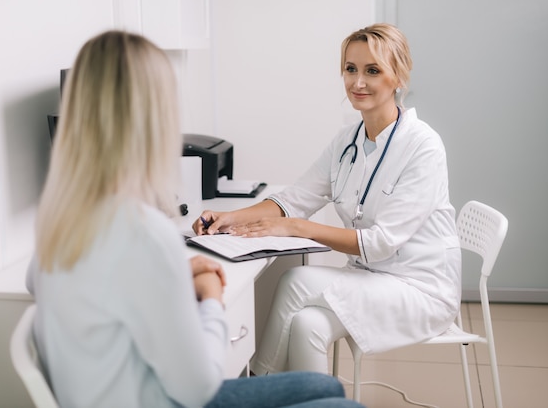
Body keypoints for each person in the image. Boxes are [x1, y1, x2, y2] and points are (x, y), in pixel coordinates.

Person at [26, 30, 364, 408]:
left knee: (326, 389)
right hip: (165, 397)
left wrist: (169, 274)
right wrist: (211, 298)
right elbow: (198, 387)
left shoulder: (59, 222)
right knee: (343, 405)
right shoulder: (143, 232)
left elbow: (76, 284)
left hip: (128, 391)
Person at [192, 23, 462, 376]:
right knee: (307, 325)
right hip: (370, 279)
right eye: (351, 69)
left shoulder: (422, 146)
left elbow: (379, 244)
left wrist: (298, 228)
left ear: (398, 77)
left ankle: (257, 386)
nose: (358, 82)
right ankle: (312, 399)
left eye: (372, 71)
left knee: (297, 282)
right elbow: (294, 200)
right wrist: (233, 218)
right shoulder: (346, 141)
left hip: (421, 288)